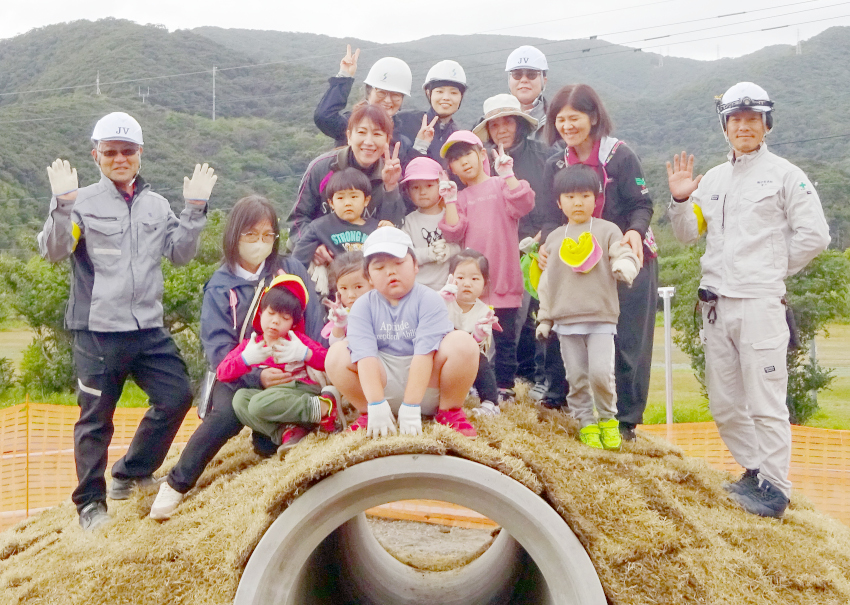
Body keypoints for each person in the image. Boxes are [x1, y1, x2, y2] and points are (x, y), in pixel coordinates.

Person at [38, 111, 217, 531]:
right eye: (111, 151)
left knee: (175, 396)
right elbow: (54, 250)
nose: (120, 158)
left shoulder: (156, 205)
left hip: (148, 328)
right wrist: (62, 207)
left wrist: (195, 210)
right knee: (96, 418)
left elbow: (180, 254)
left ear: (140, 154)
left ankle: (132, 471)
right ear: (96, 155)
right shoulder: (79, 201)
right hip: (98, 331)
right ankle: (90, 505)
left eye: (128, 151)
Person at [666, 82, 830, 518]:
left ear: (766, 124)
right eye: (735, 120)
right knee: (724, 403)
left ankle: (775, 489)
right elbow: (686, 233)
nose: (744, 126)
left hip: (760, 303)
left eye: (752, 119)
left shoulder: (786, 175)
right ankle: (755, 470)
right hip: (716, 306)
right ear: (725, 127)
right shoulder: (714, 180)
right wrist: (681, 198)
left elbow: (816, 236)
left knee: (765, 401)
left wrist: (771, 271)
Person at [150, 196, 324, 519]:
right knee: (226, 415)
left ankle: (268, 439)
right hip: (241, 370)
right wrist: (256, 376)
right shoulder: (219, 287)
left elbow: (314, 319)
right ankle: (176, 483)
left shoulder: (291, 269)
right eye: (251, 235)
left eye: (267, 235)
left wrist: (307, 361)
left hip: (293, 368)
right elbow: (219, 351)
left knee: (273, 436)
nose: (260, 243)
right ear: (234, 236)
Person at [538, 84, 658, 442]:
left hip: (627, 258)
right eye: (560, 119)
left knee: (627, 342)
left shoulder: (620, 155)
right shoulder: (555, 163)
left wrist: (635, 232)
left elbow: (642, 204)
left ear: (592, 117)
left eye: (574, 117)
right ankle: (574, 410)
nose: (566, 125)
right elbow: (549, 216)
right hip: (579, 266)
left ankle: (624, 422)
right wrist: (546, 243)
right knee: (570, 333)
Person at [325, 227, 480, 437]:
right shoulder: (362, 306)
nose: (391, 272)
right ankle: (370, 414)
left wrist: (411, 405)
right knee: (336, 355)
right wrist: (376, 403)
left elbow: (424, 353)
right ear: (369, 276)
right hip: (382, 383)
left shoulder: (429, 299)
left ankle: (449, 411)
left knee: (463, 343)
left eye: (399, 263)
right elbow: (365, 356)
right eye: (379, 267)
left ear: (415, 265)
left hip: (427, 385)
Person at [535, 165, 640, 451]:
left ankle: (607, 418)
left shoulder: (607, 230)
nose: (578, 202)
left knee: (600, 374)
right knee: (576, 377)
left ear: (597, 199)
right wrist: (545, 319)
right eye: (570, 197)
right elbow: (547, 283)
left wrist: (624, 266)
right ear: (559, 202)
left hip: (601, 318)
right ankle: (585, 422)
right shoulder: (555, 238)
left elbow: (622, 252)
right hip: (566, 321)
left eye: (584, 195)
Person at [473, 93, 566, 407]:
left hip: (539, 242)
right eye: (494, 124)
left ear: (519, 124)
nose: (501, 129)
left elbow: (555, 195)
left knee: (541, 316)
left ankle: (544, 386)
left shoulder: (544, 154)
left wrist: (545, 234)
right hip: (498, 248)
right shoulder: (481, 158)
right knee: (503, 322)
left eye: (507, 121)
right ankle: (499, 384)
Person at [438, 131, 535, 399]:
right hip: (471, 283)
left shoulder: (501, 186)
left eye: (468, 154)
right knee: (468, 337)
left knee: (504, 339)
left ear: (482, 155)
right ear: (451, 168)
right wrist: (449, 201)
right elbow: (453, 232)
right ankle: (469, 384)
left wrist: (508, 174)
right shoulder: (462, 198)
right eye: (456, 159)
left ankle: (504, 388)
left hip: (503, 276)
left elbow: (524, 203)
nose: (464, 162)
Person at [288, 105, 404, 252]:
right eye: (362, 132)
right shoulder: (322, 168)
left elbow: (392, 228)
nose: (369, 142)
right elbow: (298, 218)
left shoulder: (392, 172)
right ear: (349, 137)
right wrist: (313, 247)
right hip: (323, 255)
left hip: (368, 260)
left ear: (387, 139)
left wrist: (391, 187)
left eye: (377, 134)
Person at [314, 46, 420, 149]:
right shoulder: (352, 123)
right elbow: (324, 117)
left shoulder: (403, 138)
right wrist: (344, 76)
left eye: (396, 95)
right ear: (368, 92)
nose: (388, 100)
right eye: (381, 93)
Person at [439, 250, 502, 416]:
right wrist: (439, 300)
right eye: (460, 278)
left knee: (481, 361)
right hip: (440, 353)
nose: (467, 284)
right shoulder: (442, 300)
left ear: (485, 283)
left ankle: (491, 403)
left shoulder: (484, 312)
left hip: (468, 356)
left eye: (474, 279)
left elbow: (481, 345)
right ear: (451, 278)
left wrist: (478, 336)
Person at [400, 157, 461, 290]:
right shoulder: (409, 221)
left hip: (448, 286)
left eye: (429, 186)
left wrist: (449, 250)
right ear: (408, 191)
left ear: (441, 185)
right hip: (417, 287)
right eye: (415, 187)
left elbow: (463, 243)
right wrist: (430, 253)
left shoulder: (450, 213)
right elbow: (404, 254)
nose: (422, 192)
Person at [413, 60, 467, 166]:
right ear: (428, 93)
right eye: (440, 91)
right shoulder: (407, 123)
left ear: (461, 96)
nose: (446, 98)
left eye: (453, 92)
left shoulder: (459, 138)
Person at [322, 251, 373, 345]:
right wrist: (340, 324)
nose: (351, 295)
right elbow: (335, 344)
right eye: (344, 288)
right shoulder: (344, 314)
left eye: (358, 287)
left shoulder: (381, 310)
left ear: (372, 283)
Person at [505, 45, 549, 141]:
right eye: (517, 74)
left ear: (544, 81)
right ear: (509, 80)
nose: (524, 80)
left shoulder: (557, 121)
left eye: (531, 74)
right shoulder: (491, 121)